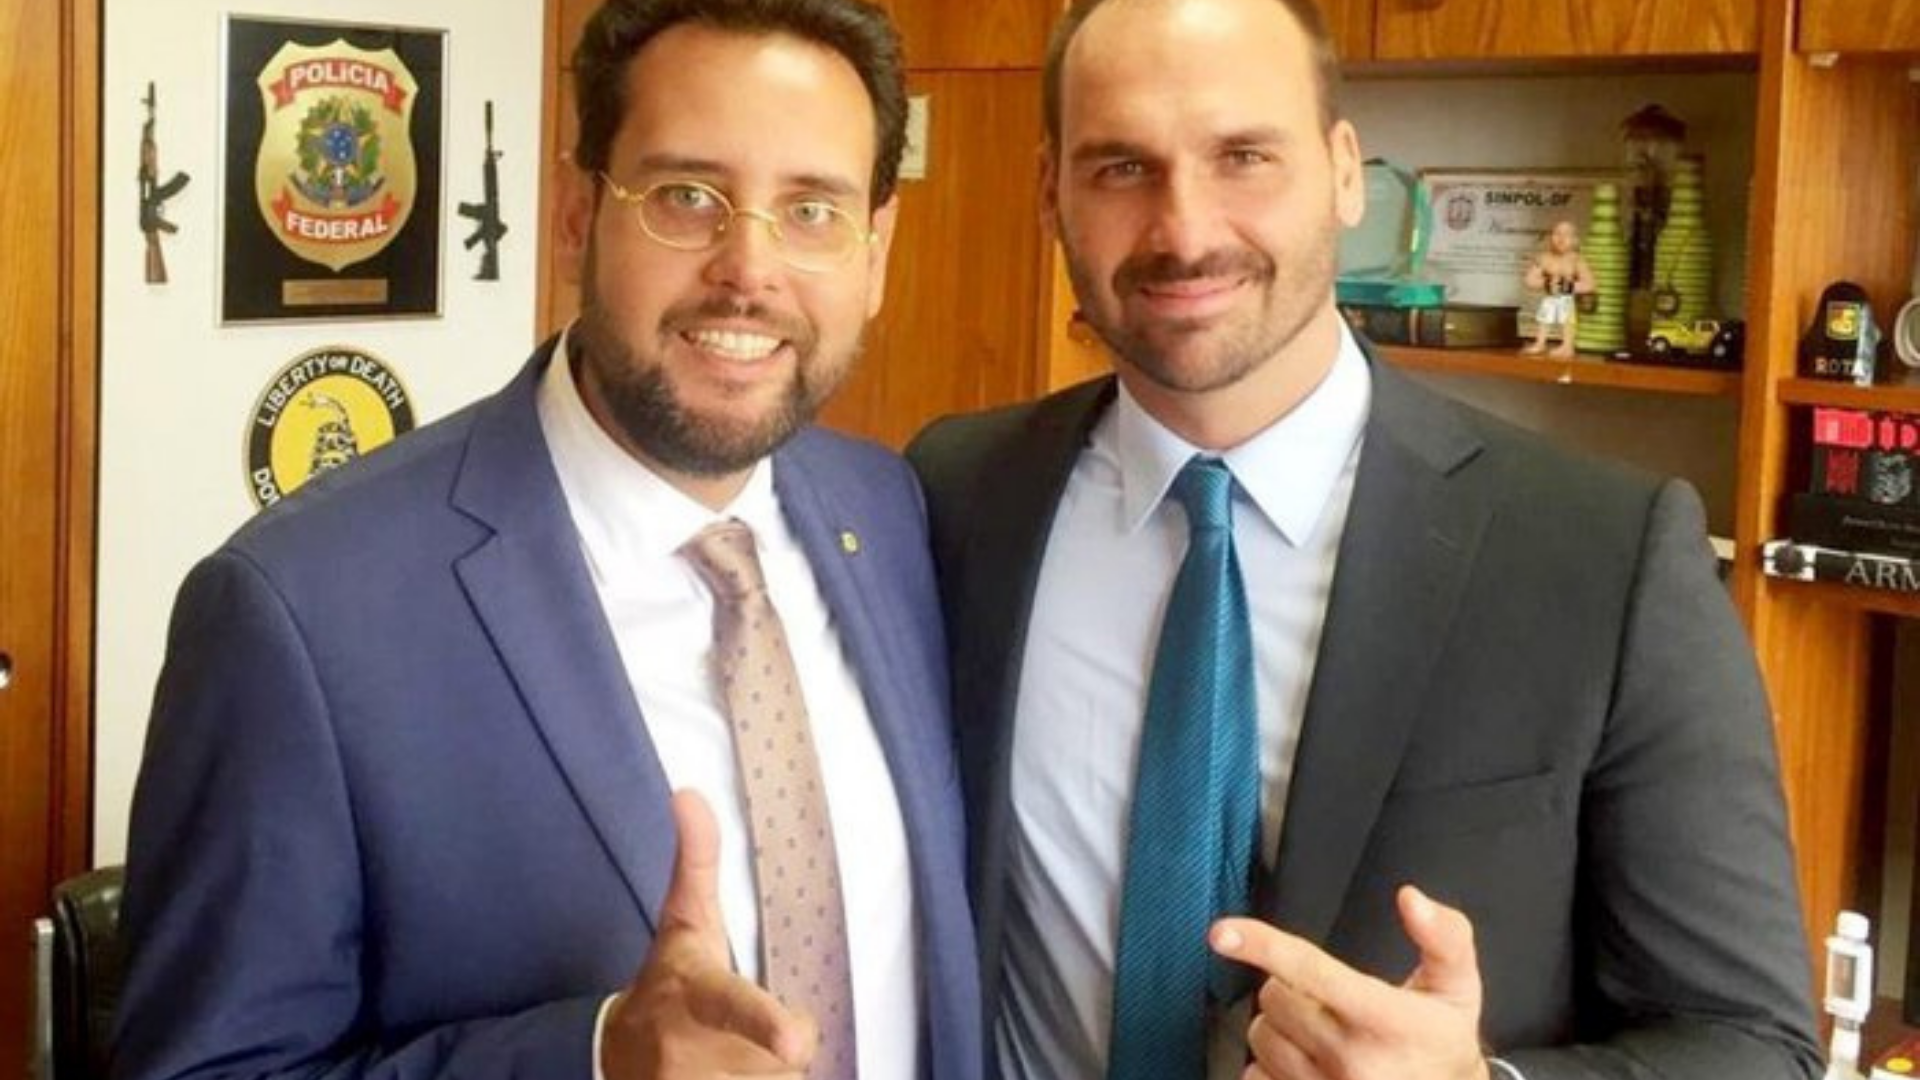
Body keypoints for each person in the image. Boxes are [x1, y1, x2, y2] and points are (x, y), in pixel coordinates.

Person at [906, 1, 1822, 1079]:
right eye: (1120, 168)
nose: (1185, 229)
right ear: (1049, 190)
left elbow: (1754, 1045)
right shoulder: (953, 495)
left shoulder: (1607, 556)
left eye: (1244, 156)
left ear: (1346, 172)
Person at [113, 1, 982, 1078]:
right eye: (685, 197)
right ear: (576, 212)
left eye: (812, 210)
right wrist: (596, 1057)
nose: (749, 269)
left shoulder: (892, 514)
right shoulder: (298, 614)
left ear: (877, 250)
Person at [1521, 219, 1596, 357]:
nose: (1561, 238)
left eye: (1566, 234)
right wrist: (1546, 283)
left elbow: (1590, 284)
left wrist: (1566, 286)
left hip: (1566, 297)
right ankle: (1540, 342)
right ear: (1551, 237)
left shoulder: (1577, 260)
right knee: (1544, 318)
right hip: (1550, 295)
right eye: (1557, 233)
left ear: (1574, 239)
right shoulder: (1544, 258)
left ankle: (1567, 345)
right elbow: (1529, 280)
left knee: (1567, 319)